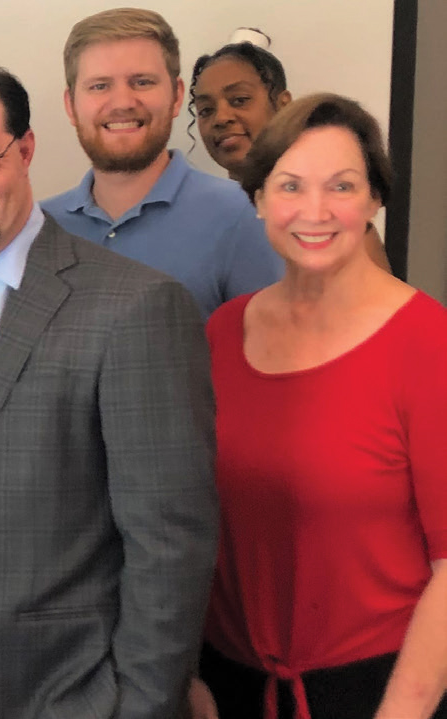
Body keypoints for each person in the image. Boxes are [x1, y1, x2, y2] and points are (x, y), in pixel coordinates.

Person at [0, 59, 217, 718]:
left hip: (68, 698)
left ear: (26, 149)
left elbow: (171, 545)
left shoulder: (136, 307)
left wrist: (138, 705)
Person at [191, 93, 447, 719]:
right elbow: (189, 520)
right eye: (290, 185)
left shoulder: (428, 342)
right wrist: (186, 677)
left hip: (377, 690)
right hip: (226, 684)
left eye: (342, 185)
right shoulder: (222, 333)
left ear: (375, 200)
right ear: (257, 200)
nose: (315, 210)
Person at [45, 8, 281, 317]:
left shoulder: (244, 216)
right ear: (71, 106)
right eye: (99, 86)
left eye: (142, 82)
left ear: (177, 96)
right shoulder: (39, 229)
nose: (123, 102)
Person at [188, 37, 392, 271]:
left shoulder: (330, 215)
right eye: (205, 110)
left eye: (240, 100)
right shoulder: (205, 218)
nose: (222, 118)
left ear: (284, 103)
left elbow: (382, 305)